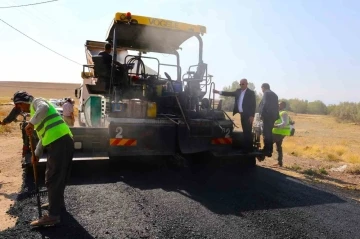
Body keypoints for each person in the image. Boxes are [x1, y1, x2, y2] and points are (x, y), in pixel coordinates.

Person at [11, 91, 74, 227]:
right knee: (58, 176)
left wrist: (31, 123)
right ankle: (57, 204)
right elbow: (42, 137)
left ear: (23, 102)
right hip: (62, 141)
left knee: (53, 177)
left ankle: (53, 215)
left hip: (60, 142)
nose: (21, 109)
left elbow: (44, 108)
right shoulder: (36, 114)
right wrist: (37, 154)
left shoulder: (37, 102)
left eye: (20, 106)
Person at [213, 78, 256, 152]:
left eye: (243, 84)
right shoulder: (238, 91)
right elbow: (229, 93)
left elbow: (253, 105)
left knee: (247, 132)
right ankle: (247, 148)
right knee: (245, 132)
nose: (241, 85)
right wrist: (218, 92)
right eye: (240, 84)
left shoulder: (251, 93)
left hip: (248, 115)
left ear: (246, 84)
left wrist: (252, 116)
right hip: (242, 114)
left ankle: (248, 149)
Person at [258, 83, 279, 157]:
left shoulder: (266, 93)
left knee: (266, 133)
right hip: (272, 117)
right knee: (269, 133)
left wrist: (261, 114)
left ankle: (266, 149)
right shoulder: (275, 95)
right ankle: (269, 149)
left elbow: (265, 104)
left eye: (262, 89)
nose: (262, 90)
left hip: (266, 116)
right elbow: (276, 107)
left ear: (263, 87)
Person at [272, 101, 291, 166]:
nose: (277, 105)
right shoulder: (278, 113)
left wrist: (275, 126)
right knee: (278, 147)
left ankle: (261, 156)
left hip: (280, 132)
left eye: (279, 104)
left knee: (269, 142)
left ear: (283, 106)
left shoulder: (283, 113)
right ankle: (280, 162)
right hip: (278, 132)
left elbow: (284, 123)